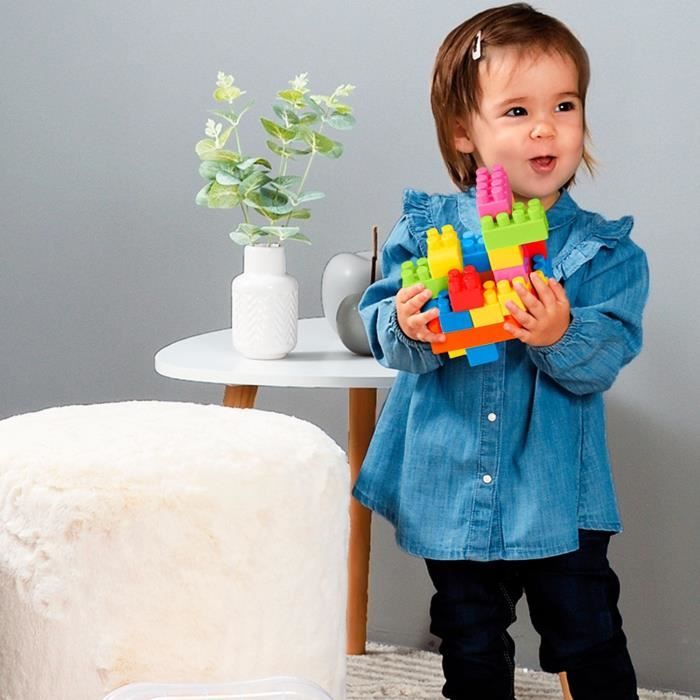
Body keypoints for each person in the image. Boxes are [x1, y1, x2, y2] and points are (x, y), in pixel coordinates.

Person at [354, 4, 649, 699]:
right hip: (453, 480)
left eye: (564, 106)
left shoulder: (604, 251)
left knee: (587, 631)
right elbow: (382, 326)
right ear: (465, 132)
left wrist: (558, 334)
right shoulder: (427, 230)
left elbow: (607, 353)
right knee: (469, 633)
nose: (546, 127)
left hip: (557, 494)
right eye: (517, 111)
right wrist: (410, 325)